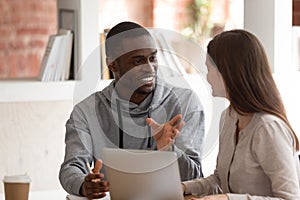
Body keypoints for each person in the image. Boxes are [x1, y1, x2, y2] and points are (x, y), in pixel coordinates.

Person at [59, 21, 205, 199]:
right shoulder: (86, 111)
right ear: (112, 65)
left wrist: (169, 149)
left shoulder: (185, 102)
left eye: (153, 58)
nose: (150, 68)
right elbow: (71, 167)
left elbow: (195, 177)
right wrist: (84, 185)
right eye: (138, 61)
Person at [150, 29, 300, 200]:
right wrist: (183, 187)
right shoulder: (229, 117)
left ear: (228, 72)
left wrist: (229, 198)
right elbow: (220, 179)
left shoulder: (268, 128)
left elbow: (290, 198)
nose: (207, 77)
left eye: (209, 69)